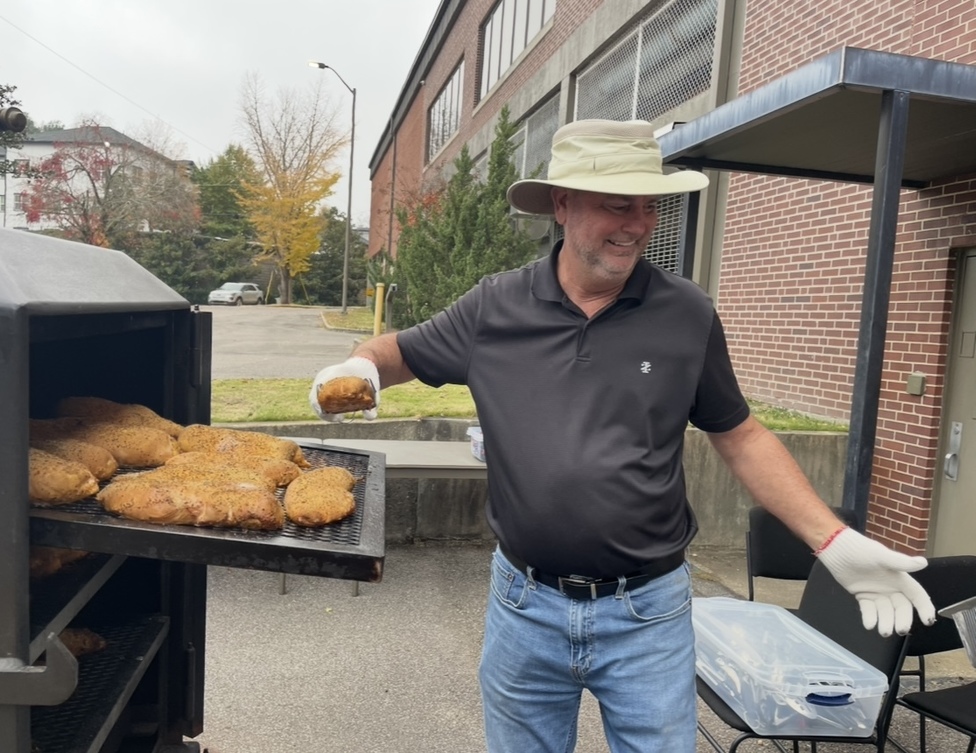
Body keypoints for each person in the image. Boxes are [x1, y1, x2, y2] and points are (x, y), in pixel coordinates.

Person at [309, 119, 936, 753]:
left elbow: (739, 434)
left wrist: (830, 540)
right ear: (562, 204)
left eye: (649, 204)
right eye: (617, 203)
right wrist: (357, 368)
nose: (638, 223)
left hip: (648, 614)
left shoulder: (686, 313)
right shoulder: (493, 308)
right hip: (524, 606)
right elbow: (399, 351)